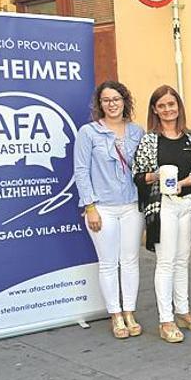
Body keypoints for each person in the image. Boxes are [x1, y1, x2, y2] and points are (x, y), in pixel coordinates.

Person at [133, 85, 191, 343]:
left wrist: (183, 183)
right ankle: (166, 320)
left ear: (179, 106)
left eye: (171, 104)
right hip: (162, 205)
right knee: (165, 262)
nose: (168, 109)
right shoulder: (149, 140)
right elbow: (139, 176)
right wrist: (157, 176)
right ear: (155, 109)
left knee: (182, 260)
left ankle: (183, 311)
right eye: (162, 105)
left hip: (187, 204)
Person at [73, 81, 145, 340]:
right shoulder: (89, 133)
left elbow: (144, 167)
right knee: (108, 264)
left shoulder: (137, 132)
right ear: (100, 104)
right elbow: (81, 171)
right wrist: (90, 207)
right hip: (102, 207)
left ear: (125, 101)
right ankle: (115, 314)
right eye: (106, 100)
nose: (112, 104)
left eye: (116, 99)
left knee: (129, 261)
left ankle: (130, 312)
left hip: (132, 206)